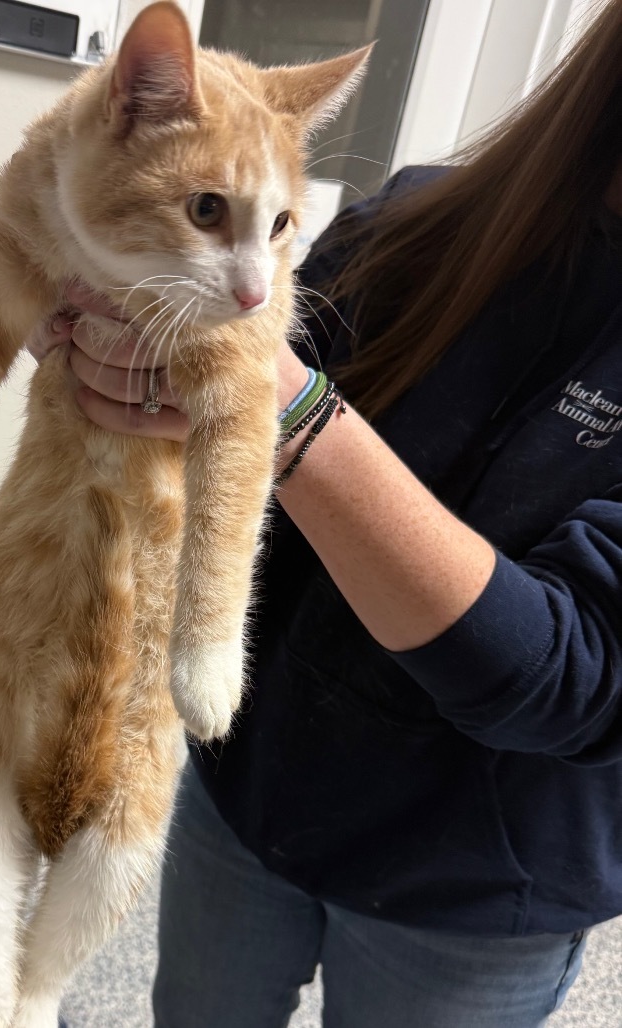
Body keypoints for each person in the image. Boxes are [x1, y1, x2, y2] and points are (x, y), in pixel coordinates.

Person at [34, 1, 622, 1024]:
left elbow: (576, 677)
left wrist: (288, 413)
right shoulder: (418, 219)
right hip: (251, 782)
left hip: (474, 886)